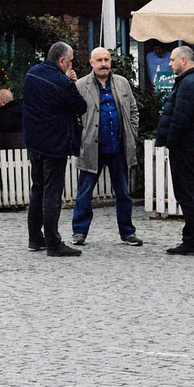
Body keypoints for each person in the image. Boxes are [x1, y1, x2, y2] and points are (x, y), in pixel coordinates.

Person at [70, 46, 142, 247]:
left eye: (106, 60)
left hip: (118, 146)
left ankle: (127, 232)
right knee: (84, 193)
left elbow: (133, 110)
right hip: (92, 146)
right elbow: (73, 115)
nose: (103, 64)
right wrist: (81, 137)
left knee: (123, 192)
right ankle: (79, 232)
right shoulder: (81, 85)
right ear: (91, 63)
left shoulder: (122, 83)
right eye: (99, 60)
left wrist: (131, 132)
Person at [19, 43, 86, 256]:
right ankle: (53, 242)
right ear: (61, 61)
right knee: (52, 192)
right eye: (70, 61)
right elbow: (80, 106)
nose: (71, 64)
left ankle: (34, 237)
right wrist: (71, 82)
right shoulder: (62, 82)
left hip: (34, 140)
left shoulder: (32, 73)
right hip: (55, 142)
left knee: (37, 188)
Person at [155, 43, 194, 255]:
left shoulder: (188, 84)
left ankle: (191, 240)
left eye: (173, 60)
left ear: (184, 60)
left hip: (187, 146)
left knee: (187, 194)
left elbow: (180, 118)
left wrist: (170, 143)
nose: (170, 63)